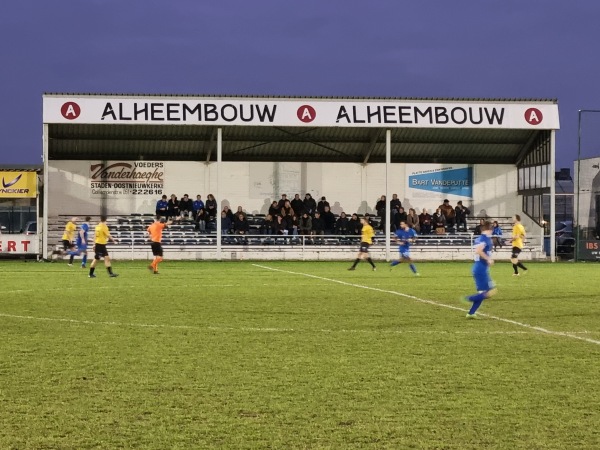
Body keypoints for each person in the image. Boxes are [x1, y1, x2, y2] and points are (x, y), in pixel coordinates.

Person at [461, 220, 497, 319]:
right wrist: (488, 259)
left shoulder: (479, 238)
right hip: (481, 269)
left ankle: (471, 313)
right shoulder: (485, 239)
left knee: (483, 293)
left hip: (478, 268)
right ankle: (470, 298)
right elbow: (479, 251)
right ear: (489, 230)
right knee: (492, 291)